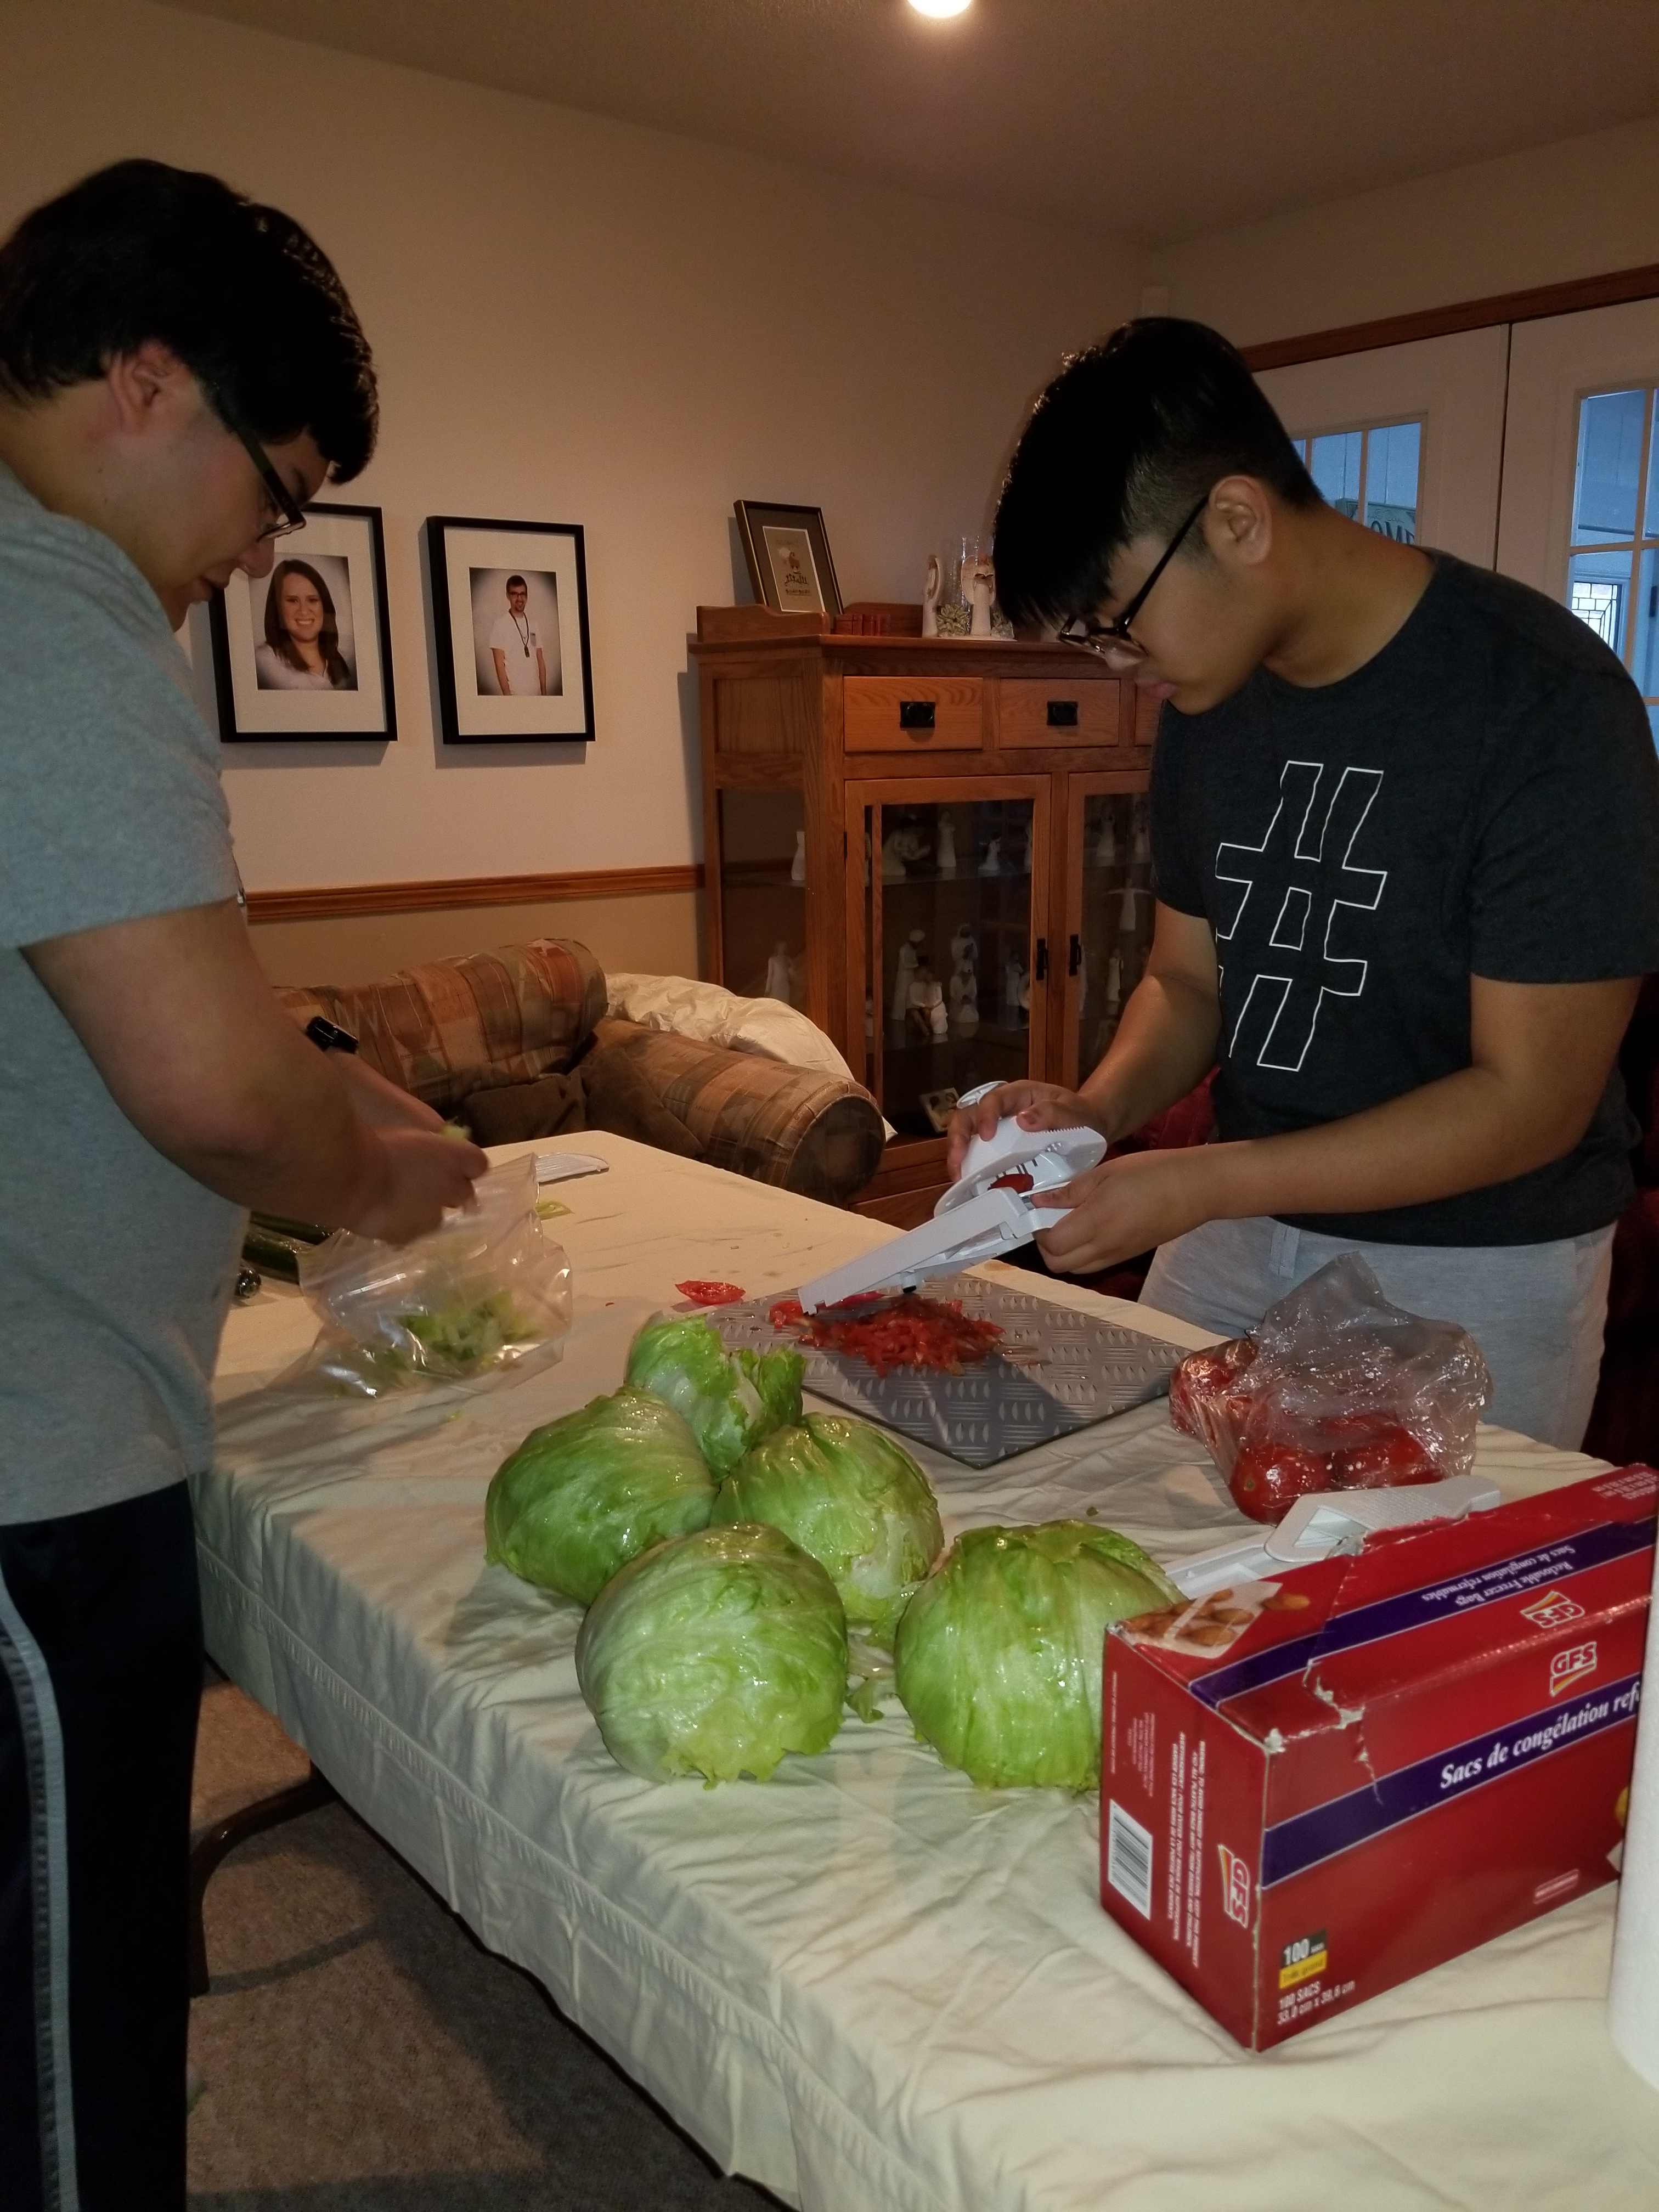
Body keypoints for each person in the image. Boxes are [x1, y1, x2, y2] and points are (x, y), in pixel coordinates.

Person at [0, 159, 487, 2212]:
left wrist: (333, 1071)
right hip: (35, 1483)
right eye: (277, 495)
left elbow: (158, 997)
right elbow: (207, 1094)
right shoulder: (54, 605)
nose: (258, 553)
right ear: (142, 380)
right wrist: (373, 1178)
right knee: (69, 2047)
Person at [950, 318, 1659, 1449]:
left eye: (1119, 627)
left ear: (1236, 521)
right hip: (1241, 1223)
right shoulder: (1208, 703)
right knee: (1131, 1512)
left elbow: (1530, 1100)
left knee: (1429, 1563)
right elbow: (1188, 983)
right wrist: (1097, 1111)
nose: (1124, 672)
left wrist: (1201, 1182)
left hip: (1478, 1261)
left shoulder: (1544, 703)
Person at [253, 554, 355, 689]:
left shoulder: (348, 661)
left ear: (325, 606)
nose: (304, 611)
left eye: (313, 600)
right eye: (293, 601)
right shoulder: (263, 663)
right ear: (277, 608)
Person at [487, 572, 546, 696]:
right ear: (508, 596)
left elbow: (540, 660)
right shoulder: (499, 625)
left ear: (527, 596)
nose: (519, 599)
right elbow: (499, 666)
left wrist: (545, 694)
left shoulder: (534, 624)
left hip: (537, 696)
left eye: (522, 594)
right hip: (515, 696)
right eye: (515, 594)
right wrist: (508, 698)